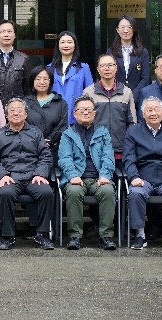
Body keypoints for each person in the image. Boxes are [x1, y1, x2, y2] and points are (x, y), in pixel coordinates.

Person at [0, 98, 56, 250]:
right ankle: (8, 236)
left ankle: (42, 234)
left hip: (33, 176)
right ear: (6, 115)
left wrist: (40, 174)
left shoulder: (35, 132)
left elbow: (45, 155)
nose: (16, 113)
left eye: (19, 110)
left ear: (26, 114)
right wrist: (3, 175)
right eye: (12, 110)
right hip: (10, 177)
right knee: (5, 193)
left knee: (46, 192)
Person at [122, 96, 162, 251]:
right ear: (143, 114)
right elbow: (129, 158)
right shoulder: (133, 132)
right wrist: (134, 177)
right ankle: (139, 235)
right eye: (149, 110)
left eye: (156, 109)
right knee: (135, 193)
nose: (153, 113)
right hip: (143, 178)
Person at [59, 95, 117, 250]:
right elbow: (65, 158)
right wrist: (72, 175)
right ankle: (75, 236)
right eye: (82, 109)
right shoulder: (67, 134)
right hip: (76, 178)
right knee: (74, 191)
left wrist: (105, 175)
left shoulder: (103, 133)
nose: (86, 112)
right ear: (74, 113)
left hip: (98, 178)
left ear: (95, 113)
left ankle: (106, 236)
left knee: (108, 191)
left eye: (89, 110)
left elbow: (108, 157)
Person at [82, 53, 137, 155]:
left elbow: (132, 122)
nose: (107, 68)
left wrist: (129, 144)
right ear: (98, 69)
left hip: (121, 150)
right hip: (96, 151)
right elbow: (84, 123)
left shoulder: (126, 92)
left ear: (116, 68)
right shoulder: (88, 92)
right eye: (103, 66)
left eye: (110, 65)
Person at [46, 30, 93, 123]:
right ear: (58, 46)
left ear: (75, 45)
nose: (66, 45)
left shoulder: (84, 68)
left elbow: (90, 93)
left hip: (77, 117)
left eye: (69, 42)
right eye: (62, 42)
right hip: (54, 116)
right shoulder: (50, 68)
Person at [0, 19, 33, 104]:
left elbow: (28, 87)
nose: (6, 35)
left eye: (9, 31)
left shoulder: (23, 59)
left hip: (16, 107)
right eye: (2, 32)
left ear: (15, 35)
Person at [23, 66, 68, 151]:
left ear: (50, 81)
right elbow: (22, 124)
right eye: (38, 79)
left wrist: (50, 140)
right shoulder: (25, 102)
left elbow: (62, 126)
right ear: (32, 81)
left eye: (45, 79)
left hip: (54, 149)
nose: (42, 82)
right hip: (29, 149)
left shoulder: (60, 102)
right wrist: (36, 141)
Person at [107, 14, 150, 93]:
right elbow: (108, 76)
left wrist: (133, 95)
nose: (126, 31)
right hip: (116, 96)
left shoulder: (143, 52)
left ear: (134, 29)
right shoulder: (111, 52)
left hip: (137, 96)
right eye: (122, 27)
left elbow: (145, 78)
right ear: (117, 29)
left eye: (129, 27)